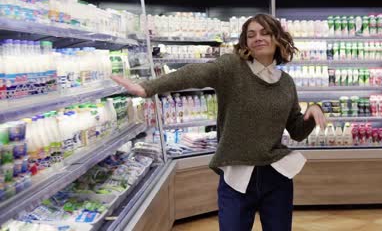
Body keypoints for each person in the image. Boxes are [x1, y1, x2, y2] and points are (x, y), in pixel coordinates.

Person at [111, 13, 326, 231]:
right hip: (236, 176)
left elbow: (297, 131)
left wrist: (312, 113)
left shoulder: (286, 83)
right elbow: (195, 73)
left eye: (265, 33)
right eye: (251, 35)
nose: (258, 38)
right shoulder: (232, 68)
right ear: (245, 42)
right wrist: (148, 88)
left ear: (278, 38)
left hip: (276, 176)